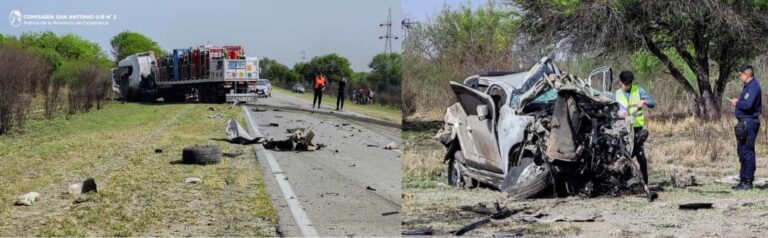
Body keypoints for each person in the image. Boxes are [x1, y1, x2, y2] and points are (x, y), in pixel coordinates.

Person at [615, 70, 655, 184]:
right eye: (625, 84)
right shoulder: (617, 94)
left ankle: (645, 183)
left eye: (629, 84)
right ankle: (623, 182)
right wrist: (620, 114)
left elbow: (652, 103)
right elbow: (614, 110)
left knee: (640, 156)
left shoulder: (638, 90)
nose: (627, 86)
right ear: (620, 82)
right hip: (623, 130)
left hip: (637, 128)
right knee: (623, 156)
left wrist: (644, 101)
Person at [730, 64, 762, 190]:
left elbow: (748, 105)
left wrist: (737, 102)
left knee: (747, 151)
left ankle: (747, 181)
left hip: (749, 122)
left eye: (741, 75)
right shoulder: (748, 87)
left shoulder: (754, 86)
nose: (740, 77)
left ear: (747, 74)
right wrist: (738, 102)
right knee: (742, 150)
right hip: (743, 122)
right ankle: (743, 180)